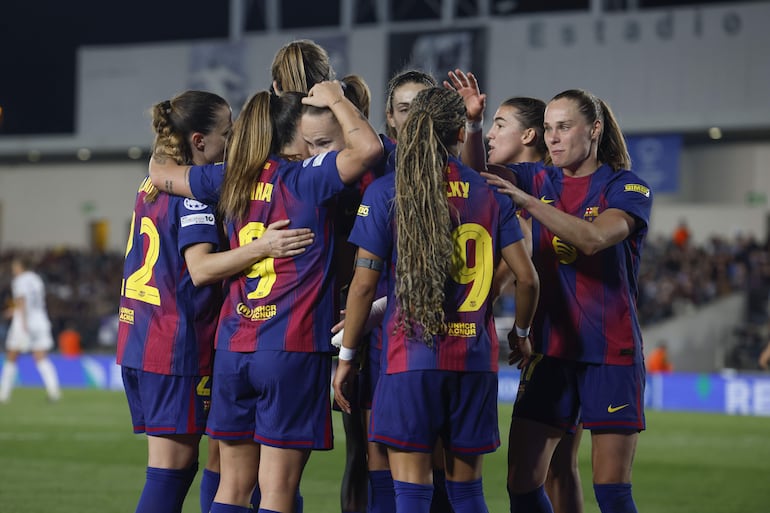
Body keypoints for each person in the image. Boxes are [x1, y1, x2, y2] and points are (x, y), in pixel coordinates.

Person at [150, 81, 383, 513]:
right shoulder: (307, 178)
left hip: (233, 348)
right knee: (275, 492)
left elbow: (159, 172)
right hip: (290, 347)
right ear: (292, 133)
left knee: (232, 488)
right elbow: (369, 149)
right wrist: (335, 97)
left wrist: (168, 132)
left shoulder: (227, 178)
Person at [333, 86, 539, 513]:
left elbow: (363, 286)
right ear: (460, 133)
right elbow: (527, 279)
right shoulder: (489, 192)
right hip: (474, 362)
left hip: (410, 361)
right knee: (467, 494)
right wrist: (521, 333)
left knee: (411, 494)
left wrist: (348, 356)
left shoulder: (388, 193)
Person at [118, 90, 314, 513]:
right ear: (199, 141)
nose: (235, 143)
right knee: (172, 473)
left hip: (143, 338)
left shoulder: (154, 182)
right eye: (228, 134)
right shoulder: (194, 194)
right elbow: (201, 269)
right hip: (174, 346)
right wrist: (262, 246)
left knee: (215, 462)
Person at [481, 88, 652, 513]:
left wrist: (526, 204)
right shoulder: (538, 178)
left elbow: (593, 239)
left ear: (594, 130)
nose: (553, 138)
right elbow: (473, 173)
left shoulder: (626, 186)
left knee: (611, 491)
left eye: (564, 127)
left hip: (610, 353)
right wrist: (471, 123)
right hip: (551, 352)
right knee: (521, 482)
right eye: (549, 129)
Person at [446, 69, 585, 513]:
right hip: (578, 344)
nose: (489, 134)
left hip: (550, 344)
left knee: (525, 481)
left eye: (499, 125)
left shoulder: (523, 194)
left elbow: (475, 175)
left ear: (528, 134)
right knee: (561, 472)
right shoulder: (555, 184)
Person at [0, 256, 61, 404]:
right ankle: (54, 391)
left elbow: (21, 301)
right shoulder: (36, 279)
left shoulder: (19, 281)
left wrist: (23, 323)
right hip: (40, 320)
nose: (14, 270)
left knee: (12, 356)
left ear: (20, 267)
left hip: (24, 321)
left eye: (15, 267)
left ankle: (3, 394)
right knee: (41, 357)